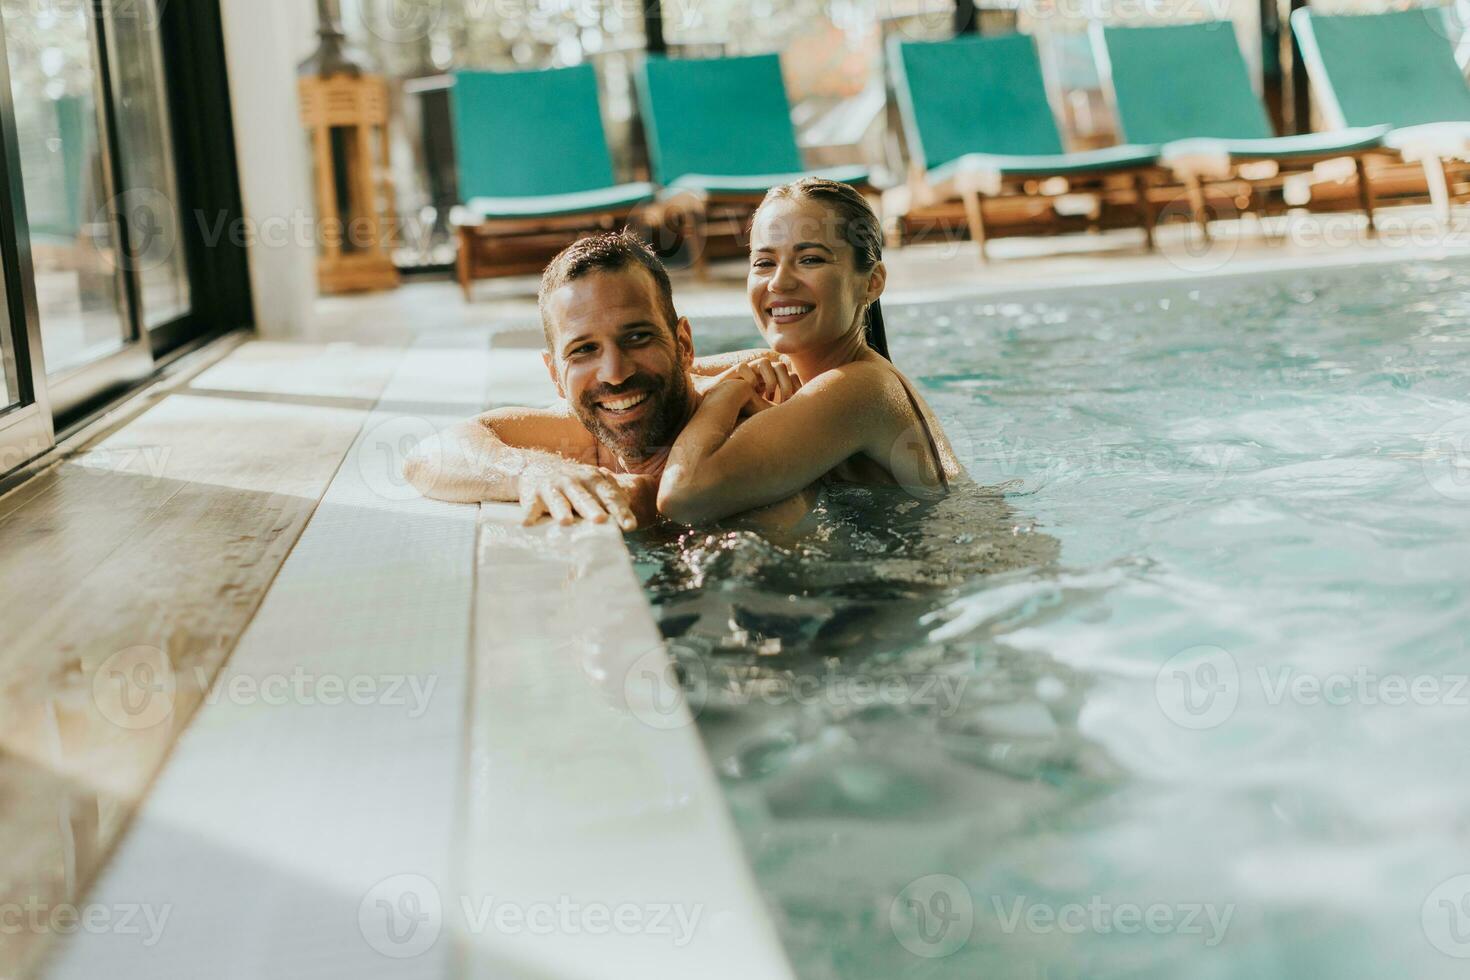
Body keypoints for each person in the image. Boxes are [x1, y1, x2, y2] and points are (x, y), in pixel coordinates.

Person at [402, 231, 803, 529]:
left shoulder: (751, 416)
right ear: (555, 375)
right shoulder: (579, 436)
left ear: (684, 344)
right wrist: (531, 472)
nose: (615, 373)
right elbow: (427, 456)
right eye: (583, 350)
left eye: (637, 337)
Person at [657, 177, 962, 524]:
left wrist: (727, 390)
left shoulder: (862, 388)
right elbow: (648, 383)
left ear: (872, 282)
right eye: (764, 263)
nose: (779, 282)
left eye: (811, 259)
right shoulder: (781, 366)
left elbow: (684, 495)